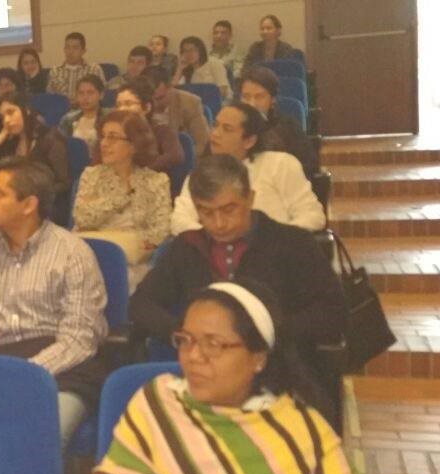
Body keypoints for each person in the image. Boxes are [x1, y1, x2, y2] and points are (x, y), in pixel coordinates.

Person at [89, 280, 391, 474]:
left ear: (258, 358)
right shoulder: (158, 404)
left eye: (214, 344)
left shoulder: (298, 424)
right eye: (185, 340)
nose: (193, 357)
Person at [129, 155, 347, 424]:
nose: (219, 223)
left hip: (279, 373)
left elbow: (333, 310)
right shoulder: (187, 248)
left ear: (250, 199)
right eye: (206, 213)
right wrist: (186, 334)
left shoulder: (291, 243)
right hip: (202, 376)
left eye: (229, 210)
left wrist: (268, 334)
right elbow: (141, 304)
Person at [0, 158, 108, 447]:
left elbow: (79, 341)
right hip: (0, 363)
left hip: (63, 370)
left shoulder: (72, 253)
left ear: (29, 205)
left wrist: (24, 375)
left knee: (39, 440)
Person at [171, 102, 325, 234]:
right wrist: (215, 239)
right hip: (217, 253)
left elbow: (312, 215)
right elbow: (179, 220)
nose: (215, 134)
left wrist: (278, 239)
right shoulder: (201, 173)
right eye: (215, 125)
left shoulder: (280, 164)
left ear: (249, 141)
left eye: (227, 129)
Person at [73, 111, 170, 291]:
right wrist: (122, 195)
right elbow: (83, 218)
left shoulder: (156, 181)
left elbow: (159, 233)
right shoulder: (91, 175)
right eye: (103, 136)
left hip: (135, 264)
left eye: (113, 137)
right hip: (91, 259)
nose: (104, 143)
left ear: (134, 145)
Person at [0, 93, 71, 225]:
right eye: (2, 117)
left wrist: (36, 195)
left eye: (11, 112)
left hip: (47, 205)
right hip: (17, 202)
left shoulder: (50, 138)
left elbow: (64, 182)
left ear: (26, 110)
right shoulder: (10, 143)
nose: (6, 120)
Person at [240, 66, 318, 179]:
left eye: (259, 97)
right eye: (246, 97)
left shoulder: (288, 127)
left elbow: (309, 165)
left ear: (272, 99)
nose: (251, 104)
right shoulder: (230, 127)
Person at [114, 78, 184, 172]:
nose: (121, 109)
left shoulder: (161, 131)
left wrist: (140, 172)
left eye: (128, 104)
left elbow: (175, 155)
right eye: (118, 105)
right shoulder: (111, 133)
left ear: (147, 107)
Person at [143, 65, 209, 155]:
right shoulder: (135, 103)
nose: (154, 104)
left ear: (171, 89)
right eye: (150, 99)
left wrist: (187, 159)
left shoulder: (189, 103)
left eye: (159, 98)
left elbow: (202, 143)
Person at [47, 32, 106, 105]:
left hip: (87, 108)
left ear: (83, 51)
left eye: (75, 48)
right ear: (64, 50)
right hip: (61, 109)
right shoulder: (55, 71)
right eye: (67, 47)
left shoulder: (94, 69)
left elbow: (102, 95)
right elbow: (49, 97)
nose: (70, 51)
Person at [57, 73, 109, 154]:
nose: (85, 97)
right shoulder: (68, 119)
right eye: (81, 93)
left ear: (101, 95)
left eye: (90, 93)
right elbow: (60, 148)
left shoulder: (109, 117)